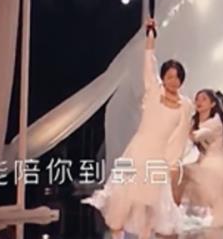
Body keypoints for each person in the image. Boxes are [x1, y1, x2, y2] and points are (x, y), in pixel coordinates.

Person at [83, 17, 194, 238]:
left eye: (177, 77)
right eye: (170, 76)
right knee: (124, 196)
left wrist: (172, 162)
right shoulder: (153, 91)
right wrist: (150, 35)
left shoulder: (185, 105)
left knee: (150, 203)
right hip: (138, 150)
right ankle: (117, 235)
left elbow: (180, 136)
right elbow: (149, 61)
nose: (173, 81)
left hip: (159, 158)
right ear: (163, 77)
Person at [176, 89, 223, 227]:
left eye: (203, 99)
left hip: (216, 167)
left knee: (182, 174)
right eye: (197, 99)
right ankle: (177, 214)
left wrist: (183, 120)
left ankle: (174, 216)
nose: (199, 102)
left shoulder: (215, 123)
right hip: (204, 163)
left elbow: (196, 136)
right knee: (179, 175)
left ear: (212, 104)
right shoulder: (197, 122)